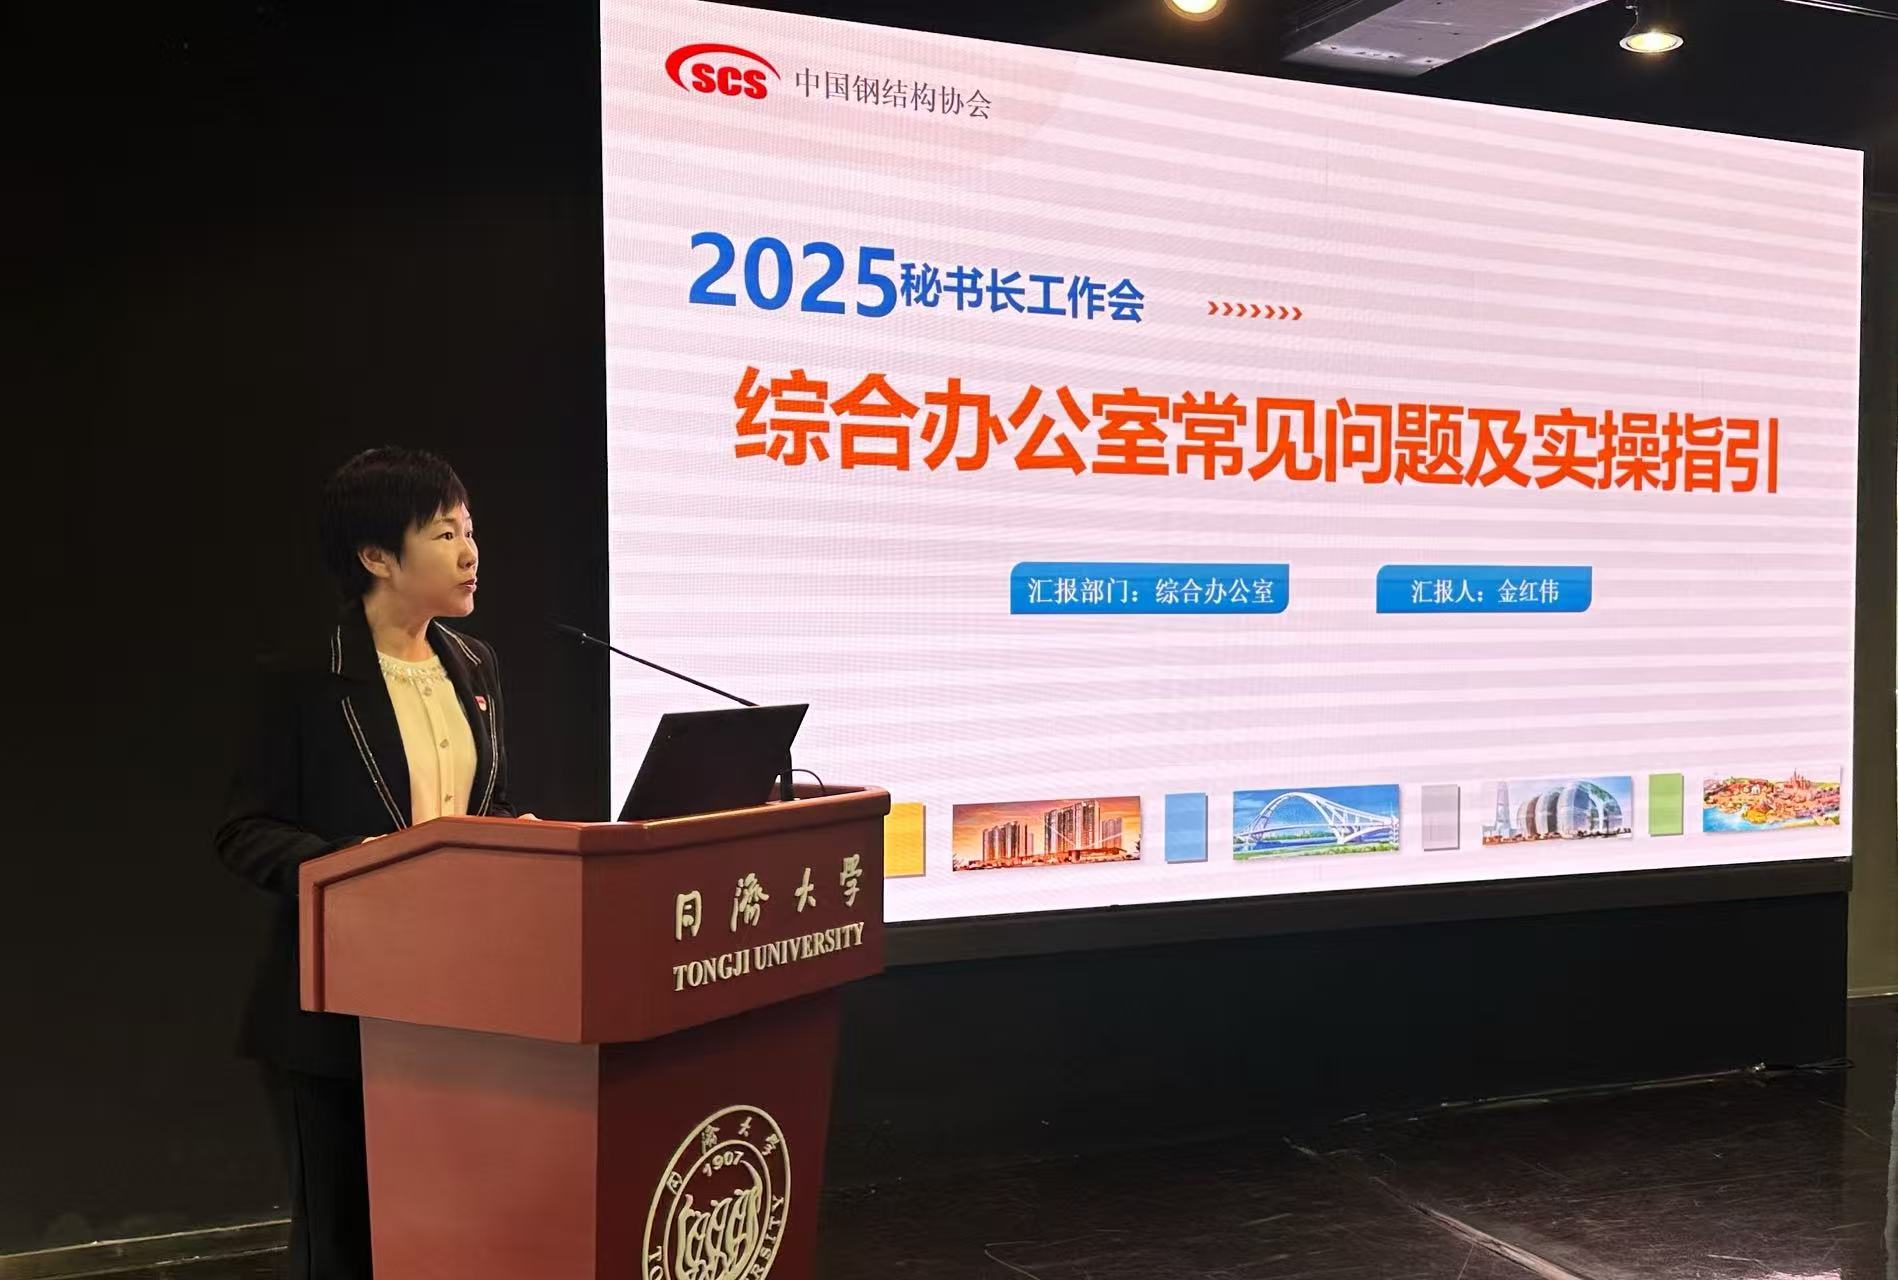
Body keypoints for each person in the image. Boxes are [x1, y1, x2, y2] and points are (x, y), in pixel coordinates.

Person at [215, 447, 521, 1278]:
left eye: (470, 530)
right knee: (342, 1245)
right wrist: (353, 865)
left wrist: (513, 834)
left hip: (458, 1001)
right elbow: (245, 830)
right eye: (445, 534)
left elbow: (479, 806)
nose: (470, 553)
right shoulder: (305, 678)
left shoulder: (476, 665)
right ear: (377, 557)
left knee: (448, 1230)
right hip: (334, 1010)